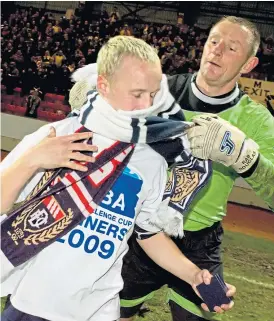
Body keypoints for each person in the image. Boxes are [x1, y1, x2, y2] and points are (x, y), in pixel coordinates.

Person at [66, 17, 274, 320]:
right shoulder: (158, 94)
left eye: (232, 48)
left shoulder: (256, 120)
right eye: (214, 41)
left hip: (200, 245)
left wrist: (247, 159)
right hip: (139, 235)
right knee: (109, 315)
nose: (217, 51)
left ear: (248, 64)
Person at [0, 36, 235, 321]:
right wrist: (33, 160)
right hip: (34, 304)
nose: (146, 105)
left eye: (152, 94)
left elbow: (148, 233)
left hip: (100, 309)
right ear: (103, 85)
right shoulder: (57, 137)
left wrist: (193, 275)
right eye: (136, 94)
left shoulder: (151, 160)